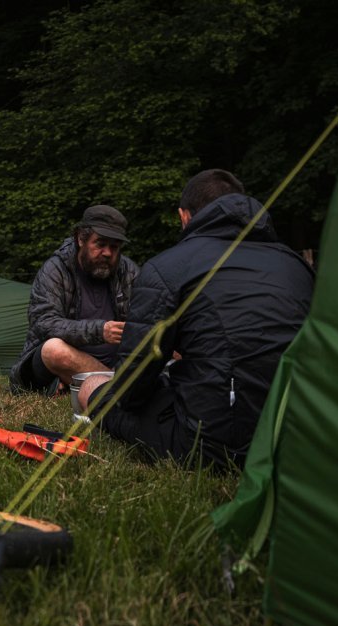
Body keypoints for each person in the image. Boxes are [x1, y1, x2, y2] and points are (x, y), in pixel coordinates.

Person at [79, 169, 314, 470]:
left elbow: (132, 389)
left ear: (184, 217)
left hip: (218, 445)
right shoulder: (295, 265)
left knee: (94, 386)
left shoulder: (168, 268)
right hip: (295, 437)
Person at [9, 205, 139, 394]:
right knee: (54, 350)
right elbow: (43, 323)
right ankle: (119, 390)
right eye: (100, 244)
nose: (108, 253)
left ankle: (106, 385)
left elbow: (146, 319)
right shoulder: (55, 270)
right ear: (80, 239)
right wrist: (100, 331)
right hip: (58, 365)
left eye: (114, 247)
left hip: (117, 363)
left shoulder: (128, 271)